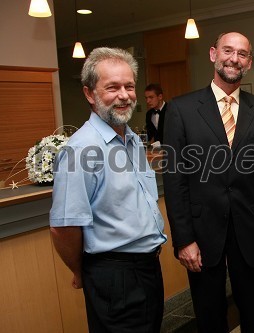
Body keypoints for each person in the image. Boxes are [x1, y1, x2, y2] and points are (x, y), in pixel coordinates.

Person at [162, 31, 254, 333]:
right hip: (201, 232)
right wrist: (183, 239)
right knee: (209, 313)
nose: (234, 59)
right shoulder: (181, 109)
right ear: (214, 54)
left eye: (242, 54)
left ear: (249, 62)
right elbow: (176, 181)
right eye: (228, 51)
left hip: (249, 228)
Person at [50, 47, 167, 332]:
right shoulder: (81, 149)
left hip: (147, 268)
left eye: (129, 86)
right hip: (113, 276)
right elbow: (63, 227)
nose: (124, 95)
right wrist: (82, 271)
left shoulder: (133, 141)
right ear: (90, 94)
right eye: (112, 87)